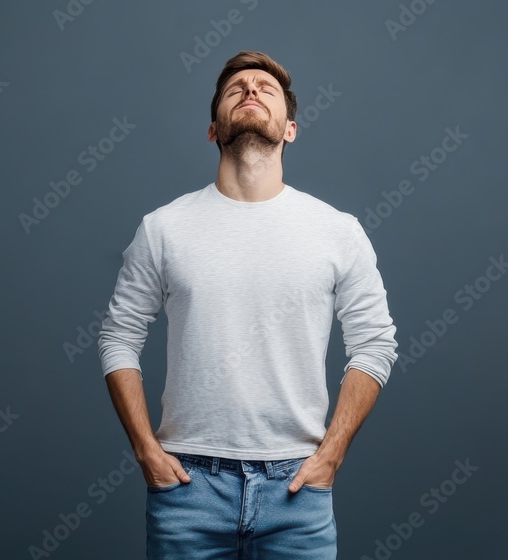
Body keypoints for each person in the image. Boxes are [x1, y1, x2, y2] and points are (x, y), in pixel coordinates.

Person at [97, 51, 398, 559]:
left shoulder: (337, 231)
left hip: (298, 493)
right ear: (213, 130)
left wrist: (333, 453)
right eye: (236, 89)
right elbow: (117, 337)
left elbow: (375, 345)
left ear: (291, 129)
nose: (251, 91)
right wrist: (146, 450)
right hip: (187, 488)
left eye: (266, 88)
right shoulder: (164, 228)